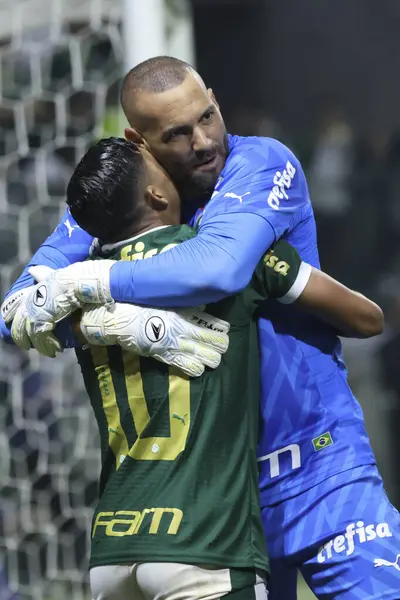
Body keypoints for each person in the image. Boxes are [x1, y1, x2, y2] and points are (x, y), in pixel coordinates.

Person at [1, 57, 398, 600]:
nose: (205, 141)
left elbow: (218, 268)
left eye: (207, 116)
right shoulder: (122, 201)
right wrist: (124, 325)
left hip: (321, 473)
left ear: (213, 97)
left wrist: (90, 285)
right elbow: (19, 313)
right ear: (138, 141)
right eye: (178, 134)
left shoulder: (257, 164)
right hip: (221, 501)